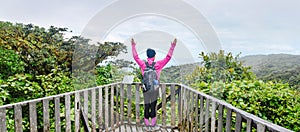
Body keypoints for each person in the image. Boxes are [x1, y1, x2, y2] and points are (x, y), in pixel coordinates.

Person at [131, 38, 177, 127]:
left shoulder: (143, 64)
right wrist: (172, 46)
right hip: (155, 88)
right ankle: (153, 123)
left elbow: (135, 57)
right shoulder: (158, 64)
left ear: (147, 56)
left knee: (146, 105)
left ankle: (146, 123)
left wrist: (133, 46)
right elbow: (168, 57)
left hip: (145, 88)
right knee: (153, 105)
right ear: (154, 56)